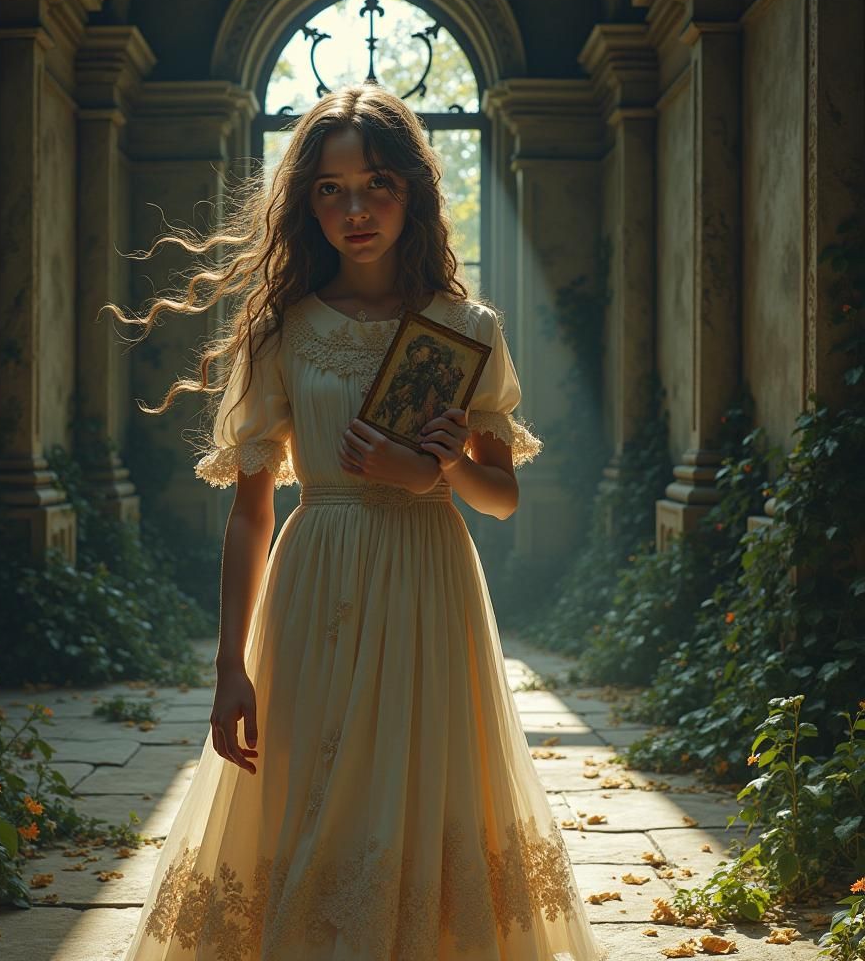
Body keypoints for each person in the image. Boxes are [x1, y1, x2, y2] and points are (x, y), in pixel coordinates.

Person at [109, 83, 610, 960]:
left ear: (414, 190)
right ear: (307, 203)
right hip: (318, 582)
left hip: (428, 582)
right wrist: (229, 667)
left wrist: (438, 469)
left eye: (377, 183)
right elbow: (250, 513)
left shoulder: (464, 328)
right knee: (312, 797)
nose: (355, 208)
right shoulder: (283, 332)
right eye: (331, 189)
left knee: (416, 792)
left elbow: (503, 497)